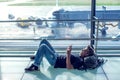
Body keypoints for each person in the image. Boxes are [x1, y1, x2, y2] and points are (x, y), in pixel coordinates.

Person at [25, 39, 96, 71]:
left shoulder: (79, 60)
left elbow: (69, 67)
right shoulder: (79, 56)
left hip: (55, 61)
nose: (82, 49)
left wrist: (68, 54)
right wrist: (68, 52)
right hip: (56, 55)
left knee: (43, 46)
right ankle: (38, 56)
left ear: (86, 54)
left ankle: (35, 65)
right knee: (44, 41)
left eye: (84, 49)